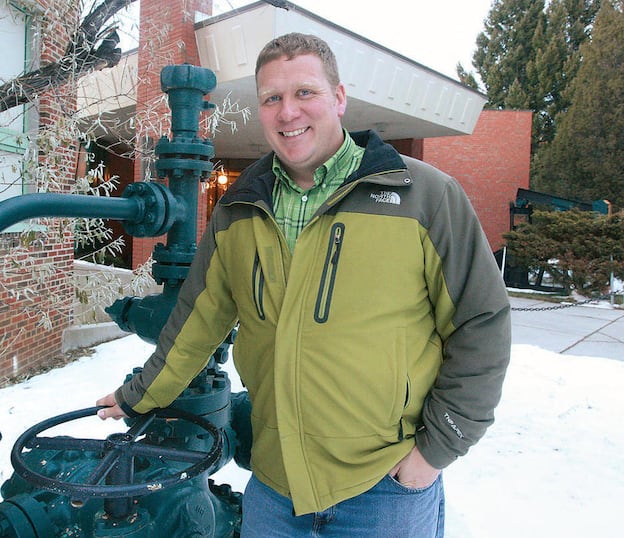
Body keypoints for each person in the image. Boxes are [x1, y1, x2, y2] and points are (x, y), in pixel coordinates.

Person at [97, 32, 511, 537]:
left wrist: (436, 450)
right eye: (272, 98)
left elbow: (482, 322)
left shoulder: (423, 196)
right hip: (274, 490)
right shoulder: (237, 208)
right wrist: (139, 394)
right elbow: (194, 325)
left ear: (339, 98)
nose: (288, 112)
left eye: (305, 93)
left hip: (384, 489)